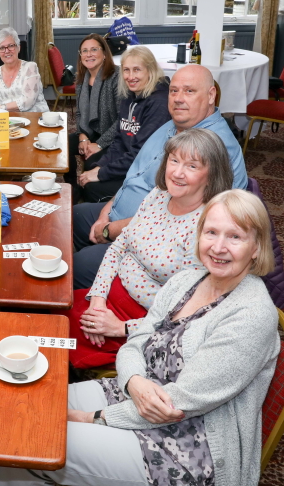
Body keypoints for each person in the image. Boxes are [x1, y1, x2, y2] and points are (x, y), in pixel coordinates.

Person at [0, 189, 280, 486]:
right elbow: (136, 341)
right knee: (25, 407)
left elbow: (177, 405)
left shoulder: (252, 314)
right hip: (133, 395)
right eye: (211, 232)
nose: (218, 246)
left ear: (256, 247)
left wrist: (93, 418)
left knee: (35, 437)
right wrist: (133, 381)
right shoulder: (188, 279)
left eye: (235, 237)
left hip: (188, 446)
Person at [65, 128, 233, 369]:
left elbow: (189, 314)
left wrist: (120, 328)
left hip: (145, 325)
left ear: (212, 174)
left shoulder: (208, 231)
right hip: (110, 299)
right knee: (51, 316)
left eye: (192, 166)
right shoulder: (158, 195)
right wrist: (97, 299)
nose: (177, 172)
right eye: (174, 160)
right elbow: (118, 248)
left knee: (55, 343)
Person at [73, 64, 248, 289]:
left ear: (211, 95)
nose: (178, 98)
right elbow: (134, 178)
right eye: (173, 91)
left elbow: (174, 221)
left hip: (156, 244)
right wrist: (106, 212)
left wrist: (109, 230)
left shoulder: (214, 147)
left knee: (79, 265)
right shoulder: (171, 126)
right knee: (71, 216)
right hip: (123, 216)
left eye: (189, 91)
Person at [77, 46, 171, 203]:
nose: (130, 76)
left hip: (145, 173)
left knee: (91, 188)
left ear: (150, 71)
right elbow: (119, 140)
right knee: (91, 164)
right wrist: (99, 167)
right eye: (126, 70)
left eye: (137, 70)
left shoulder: (159, 103)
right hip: (130, 161)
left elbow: (140, 156)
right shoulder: (130, 95)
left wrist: (100, 174)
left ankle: (110, 219)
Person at [68, 33, 122, 189]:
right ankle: (72, 187)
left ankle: (89, 193)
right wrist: (83, 137)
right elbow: (79, 114)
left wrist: (99, 144)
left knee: (92, 163)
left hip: (112, 136)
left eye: (94, 49)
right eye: (84, 51)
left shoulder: (116, 77)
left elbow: (122, 120)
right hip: (91, 132)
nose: (88, 54)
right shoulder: (81, 79)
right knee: (62, 147)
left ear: (104, 53)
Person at [0, 27, 49, 113]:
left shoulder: (30, 68)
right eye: (2, 48)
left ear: (18, 47)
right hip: (6, 122)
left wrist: (2, 107)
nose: (7, 51)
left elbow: (27, 102)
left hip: (34, 119)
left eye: (11, 46)